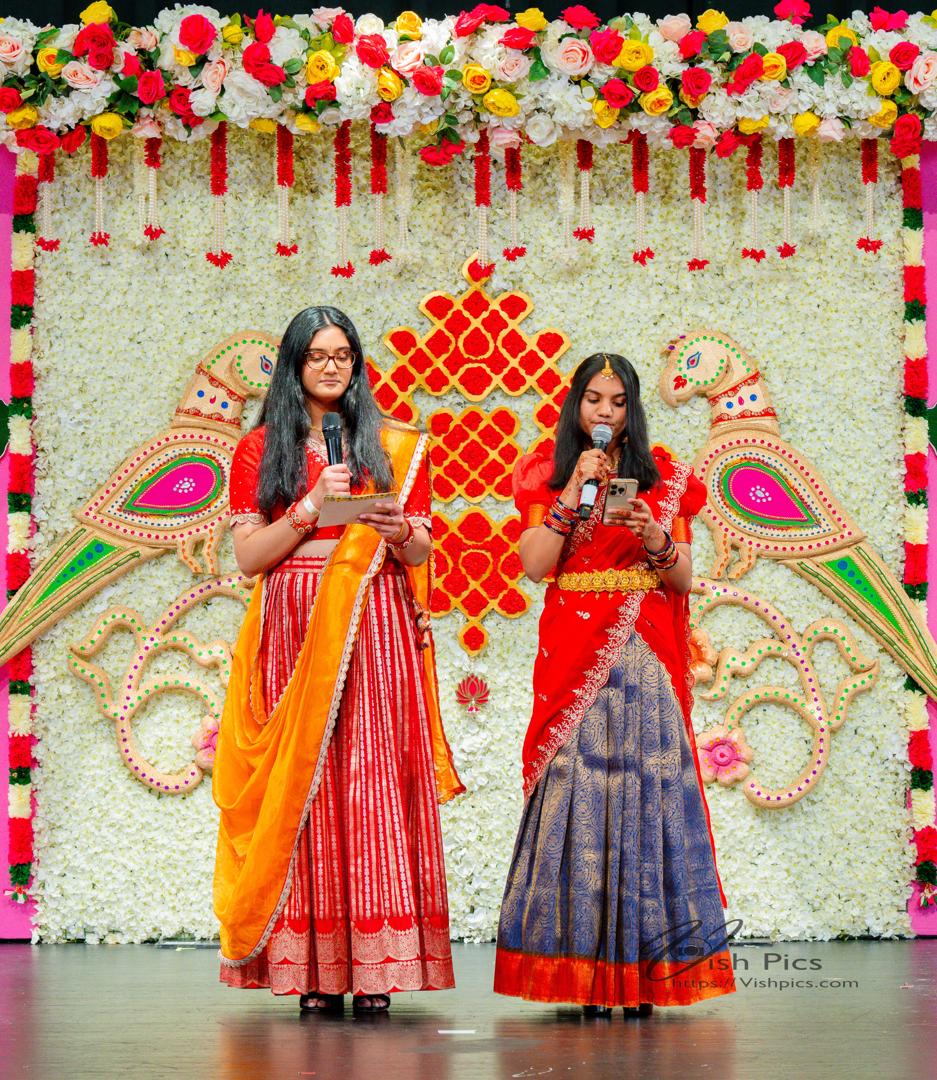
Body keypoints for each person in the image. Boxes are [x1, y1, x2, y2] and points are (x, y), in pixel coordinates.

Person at [212, 305, 463, 1015]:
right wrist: (310, 506)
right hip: (294, 628)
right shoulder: (260, 448)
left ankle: (377, 968)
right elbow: (248, 558)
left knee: (369, 781)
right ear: (294, 366)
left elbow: (420, 550)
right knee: (307, 785)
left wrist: (398, 528)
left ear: (356, 365)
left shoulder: (390, 444)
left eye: (342, 355)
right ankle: (312, 970)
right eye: (317, 355)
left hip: (375, 622)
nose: (331, 367)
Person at [493, 353, 737, 1015]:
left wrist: (655, 535)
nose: (605, 412)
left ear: (633, 408)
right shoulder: (547, 474)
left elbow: (681, 578)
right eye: (594, 399)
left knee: (646, 801)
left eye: (618, 401)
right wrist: (574, 488)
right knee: (577, 800)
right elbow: (534, 565)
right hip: (573, 654)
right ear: (576, 405)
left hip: (643, 654)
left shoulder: (664, 478)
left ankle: (644, 974)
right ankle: (580, 975)